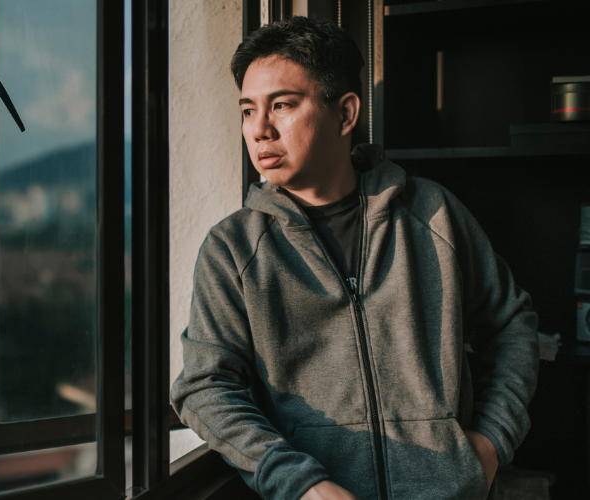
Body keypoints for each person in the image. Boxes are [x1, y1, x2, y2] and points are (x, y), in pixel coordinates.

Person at [169, 16, 539, 500]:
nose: (259, 130)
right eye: (247, 110)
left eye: (281, 105)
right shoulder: (233, 248)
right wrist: (301, 483)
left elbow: (511, 324)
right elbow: (205, 388)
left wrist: (490, 443)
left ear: (345, 115)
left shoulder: (433, 214)